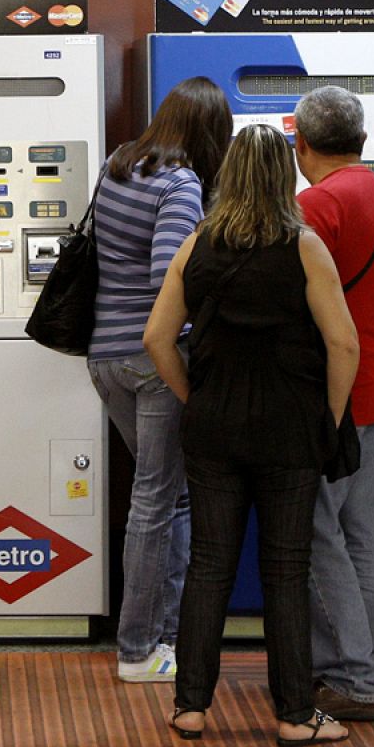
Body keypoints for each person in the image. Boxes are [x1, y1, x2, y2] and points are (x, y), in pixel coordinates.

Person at [144, 124, 360, 746]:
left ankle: (190, 707)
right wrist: (330, 415)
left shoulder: (198, 245)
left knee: (210, 564)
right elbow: (345, 343)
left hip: (214, 427)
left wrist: (196, 398)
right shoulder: (305, 247)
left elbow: (157, 339)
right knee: (286, 571)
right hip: (290, 429)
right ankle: (295, 715)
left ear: (231, 174)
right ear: (283, 175)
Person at [88, 75, 231, 683]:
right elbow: (167, 279)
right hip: (153, 361)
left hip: (106, 359)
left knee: (166, 496)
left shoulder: (119, 165)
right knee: (156, 500)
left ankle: (163, 635)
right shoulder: (180, 185)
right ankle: (138, 648)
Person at [292, 87, 374, 722]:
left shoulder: (314, 203)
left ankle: (348, 675)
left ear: (301, 143)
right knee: (363, 537)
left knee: (317, 532)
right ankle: (364, 665)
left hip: (327, 390)